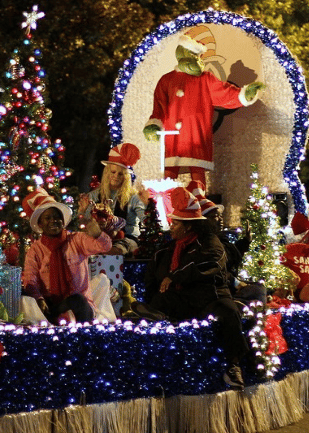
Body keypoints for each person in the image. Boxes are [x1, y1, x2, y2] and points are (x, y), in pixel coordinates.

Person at [134, 186, 248, 390]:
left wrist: (175, 276)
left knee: (229, 312)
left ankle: (233, 366)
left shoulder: (210, 242)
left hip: (209, 298)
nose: (171, 227)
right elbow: (154, 281)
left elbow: (209, 264)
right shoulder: (166, 251)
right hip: (182, 299)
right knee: (156, 303)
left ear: (188, 226)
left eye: (175, 223)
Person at [143, 26, 265, 185]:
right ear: (183, 53)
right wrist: (154, 124)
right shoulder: (166, 80)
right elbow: (159, 106)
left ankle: (200, 202)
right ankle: (166, 202)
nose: (198, 59)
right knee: (170, 172)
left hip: (196, 136)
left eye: (198, 55)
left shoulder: (206, 78)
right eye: (194, 54)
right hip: (173, 137)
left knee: (197, 171)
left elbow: (224, 93)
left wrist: (243, 95)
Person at [22, 188, 112, 324]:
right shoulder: (35, 250)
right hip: (52, 307)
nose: (54, 221)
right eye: (48, 218)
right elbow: (30, 280)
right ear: (40, 224)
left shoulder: (76, 240)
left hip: (78, 305)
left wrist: (92, 227)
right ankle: (59, 320)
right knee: (26, 298)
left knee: (78, 300)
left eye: (57, 217)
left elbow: (104, 246)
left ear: (63, 221)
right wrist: (39, 299)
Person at [191, 181, 266, 305]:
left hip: (228, 283)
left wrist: (245, 242)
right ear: (205, 221)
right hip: (218, 289)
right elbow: (216, 268)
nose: (220, 219)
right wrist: (235, 282)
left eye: (220, 216)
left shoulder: (219, 238)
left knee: (259, 288)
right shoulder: (205, 241)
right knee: (258, 291)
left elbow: (230, 256)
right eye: (215, 216)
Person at [77, 142, 148, 256]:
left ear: (125, 177)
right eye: (113, 172)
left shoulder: (133, 197)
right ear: (106, 173)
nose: (116, 176)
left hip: (126, 238)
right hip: (99, 237)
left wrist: (147, 205)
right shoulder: (94, 195)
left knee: (112, 251)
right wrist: (82, 211)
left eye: (121, 174)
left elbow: (146, 221)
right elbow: (83, 223)